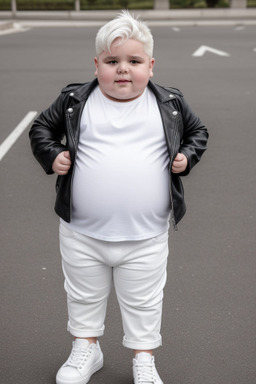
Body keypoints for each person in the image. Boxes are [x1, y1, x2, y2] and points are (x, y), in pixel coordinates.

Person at [29, 10, 208, 384]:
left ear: (151, 65)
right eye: (112, 61)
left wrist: (186, 157)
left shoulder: (169, 103)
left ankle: (143, 357)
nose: (123, 69)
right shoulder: (75, 100)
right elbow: (41, 127)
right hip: (82, 231)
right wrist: (52, 154)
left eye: (134, 61)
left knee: (144, 299)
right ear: (97, 65)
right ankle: (86, 347)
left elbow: (198, 132)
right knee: (82, 293)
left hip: (146, 234)